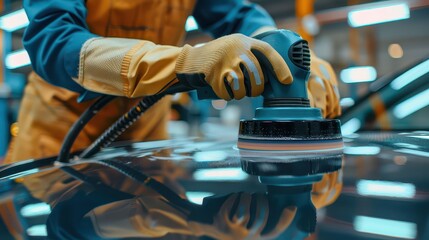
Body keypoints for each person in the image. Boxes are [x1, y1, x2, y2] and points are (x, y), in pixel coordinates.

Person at [5, 0, 340, 164]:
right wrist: (185, 63)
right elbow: (53, 40)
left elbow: (239, 15)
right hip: (57, 143)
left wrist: (279, 47)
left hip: (147, 147)